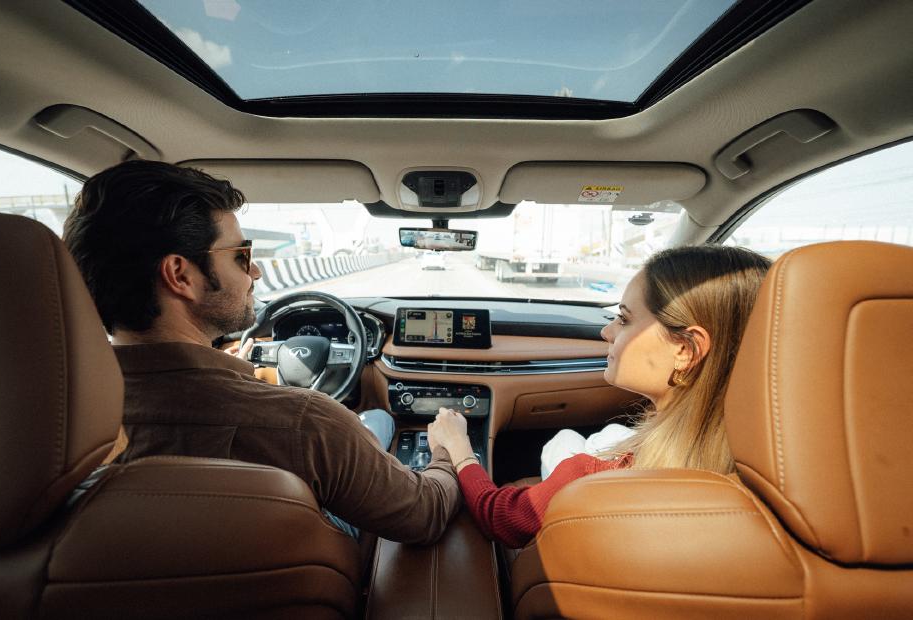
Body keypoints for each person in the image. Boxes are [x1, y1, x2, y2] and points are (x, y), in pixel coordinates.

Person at [63, 160, 459, 544]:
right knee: (376, 420)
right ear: (180, 275)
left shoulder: (57, 423)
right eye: (242, 256)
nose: (256, 272)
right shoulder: (308, 424)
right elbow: (424, 512)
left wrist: (227, 376)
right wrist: (448, 451)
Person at [427, 245, 772, 548]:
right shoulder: (770, 465)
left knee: (564, 442)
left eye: (623, 319)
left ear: (684, 350)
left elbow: (499, 516)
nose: (606, 331)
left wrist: (457, 448)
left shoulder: (593, 476)